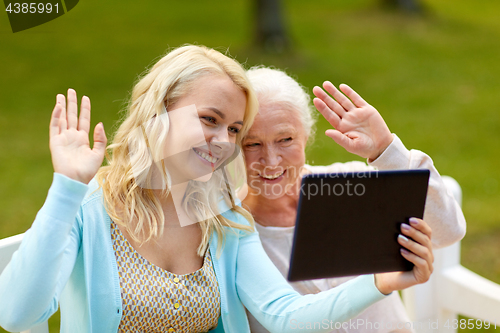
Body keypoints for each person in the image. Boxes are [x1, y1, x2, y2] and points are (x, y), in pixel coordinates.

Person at [0, 45, 434, 333]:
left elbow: (284, 315)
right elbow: (16, 315)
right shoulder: (91, 206)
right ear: (161, 109)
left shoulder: (220, 214)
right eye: (209, 119)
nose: (224, 142)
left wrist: (378, 282)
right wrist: (66, 189)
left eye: (233, 128)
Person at [242, 67, 466, 333]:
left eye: (285, 139)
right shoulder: (229, 229)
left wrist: (386, 149)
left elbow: (449, 230)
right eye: (251, 144)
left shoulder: (349, 186)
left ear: (305, 136)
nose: (270, 160)